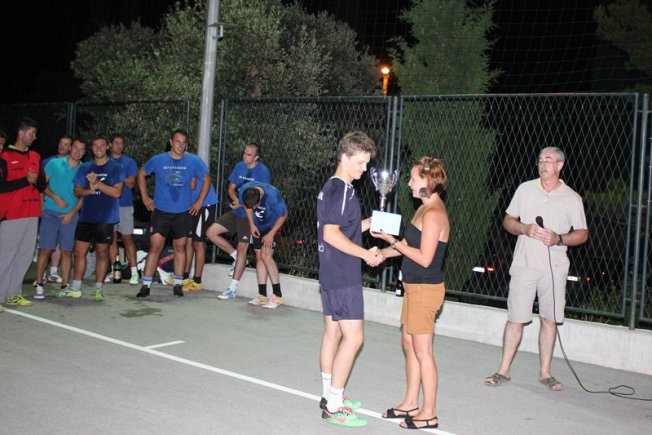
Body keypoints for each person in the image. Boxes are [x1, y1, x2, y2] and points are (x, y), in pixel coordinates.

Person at [484, 146, 588, 392]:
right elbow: (508, 221)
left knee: (549, 321)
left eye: (548, 161)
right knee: (515, 319)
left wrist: (559, 238)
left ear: (560, 165)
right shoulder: (525, 189)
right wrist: (525, 228)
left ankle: (545, 373)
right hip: (524, 265)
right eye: (540, 160)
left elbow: (582, 234)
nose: (543, 165)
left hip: (554, 269)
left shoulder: (572, 198)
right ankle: (503, 370)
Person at [372, 157, 449, 430]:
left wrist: (392, 242)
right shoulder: (423, 209)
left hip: (426, 289)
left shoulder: (434, 213)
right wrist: (383, 252)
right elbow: (407, 244)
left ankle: (429, 413)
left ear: (428, 181)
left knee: (423, 351)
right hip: (413, 287)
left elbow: (425, 258)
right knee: (409, 343)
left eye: (414, 178)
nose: (408, 183)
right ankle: (410, 404)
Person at [316, 131, 382, 427]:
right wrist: (366, 254)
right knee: (354, 338)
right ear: (344, 157)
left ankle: (329, 395)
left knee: (333, 334)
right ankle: (334, 406)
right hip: (343, 273)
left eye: (367, 163)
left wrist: (371, 223)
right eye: (360, 162)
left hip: (331, 271)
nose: (364, 169)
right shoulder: (342, 190)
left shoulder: (332, 188)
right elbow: (331, 234)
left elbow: (344, 229)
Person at [136, 128, 210, 298]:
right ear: (171, 142)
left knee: (180, 248)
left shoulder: (193, 161)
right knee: (155, 248)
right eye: (177, 142)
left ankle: (178, 284)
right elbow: (141, 173)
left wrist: (199, 201)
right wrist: (145, 197)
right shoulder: (158, 160)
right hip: (161, 212)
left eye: (184, 143)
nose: (180, 145)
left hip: (182, 213)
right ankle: (145, 285)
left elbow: (207, 179)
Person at [59, 136, 124, 302]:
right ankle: (76, 288)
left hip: (106, 219)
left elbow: (117, 193)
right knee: (78, 253)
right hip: (86, 217)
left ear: (107, 146)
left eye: (102, 145)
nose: (98, 148)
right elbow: (77, 191)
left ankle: (98, 289)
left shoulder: (115, 167)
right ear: (92, 148)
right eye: (95, 146)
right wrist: (89, 190)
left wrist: (97, 183)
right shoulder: (86, 167)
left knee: (102, 254)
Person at [206, 143, 271, 300]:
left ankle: (232, 289)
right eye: (244, 153)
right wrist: (236, 200)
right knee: (211, 232)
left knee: (242, 248)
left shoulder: (263, 172)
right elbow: (231, 188)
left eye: (249, 155)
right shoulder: (239, 166)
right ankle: (235, 256)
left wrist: (242, 204)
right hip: (236, 212)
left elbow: (262, 197)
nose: (245, 156)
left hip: (249, 216)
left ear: (256, 157)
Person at [0, 117, 46, 310]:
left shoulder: (35, 156)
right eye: (32, 133)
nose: (35, 137)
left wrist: (38, 182)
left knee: (25, 256)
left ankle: (13, 293)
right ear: (21, 133)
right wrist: (25, 181)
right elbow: (2, 186)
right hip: (12, 214)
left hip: (32, 212)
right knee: (5, 256)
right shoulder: (4, 156)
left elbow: (42, 184)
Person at [33, 138, 86, 299]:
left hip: (70, 216)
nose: (77, 151)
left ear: (84, 152)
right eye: (75, 147)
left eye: (81, 149)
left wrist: (71, 213)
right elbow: (42, 185)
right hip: (50, 212)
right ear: (70, 148)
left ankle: (64, 285)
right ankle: (39, 284)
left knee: (67, 251)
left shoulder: (85, 169)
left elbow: (84, 196)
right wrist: (55, 198)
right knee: (45, 249)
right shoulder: (54, 163)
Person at [240, 182, 288, 309]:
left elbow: (284, 215)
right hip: (258, 226)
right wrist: (252, 225)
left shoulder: (273, 196)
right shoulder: (245, 190)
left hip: (273, 226)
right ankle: (262, 295)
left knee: (266, 255)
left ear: (260, 197)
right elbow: (247, 207)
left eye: (255, 206)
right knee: (259, 257)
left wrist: (271, 234)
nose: (254, 209)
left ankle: (278, 296)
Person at [39, 135, 73, 284]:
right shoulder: (48, 162)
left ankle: (53, 272)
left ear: (70, 148)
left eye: (66, 144)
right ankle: (40, 276)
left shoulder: (76, 164)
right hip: (49, 209)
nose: (62, 146)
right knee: (46, 245)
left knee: (61, 244)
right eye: (61, 143)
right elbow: (41, 185)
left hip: (67, 213)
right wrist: (41, 205)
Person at [108, 133, 140, 285]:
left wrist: (116, 176)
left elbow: (131, 183)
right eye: (116, 143)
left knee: (127, 238)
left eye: (121, 143)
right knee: (111, 239)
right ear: (110, 145)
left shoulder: (129, 162)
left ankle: (134, 273)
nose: (119, 145)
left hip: (125, 205)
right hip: (107, 206)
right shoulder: (104, 161)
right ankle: (115, 272)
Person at [182, 176, 219, 292]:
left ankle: (197, 281)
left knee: (198, 243)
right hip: (189, 205)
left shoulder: (193, 166)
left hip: (204, 204)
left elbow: (192, 185)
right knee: (188, 241)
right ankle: (184, 278)